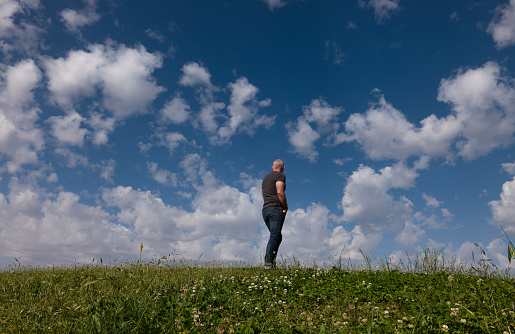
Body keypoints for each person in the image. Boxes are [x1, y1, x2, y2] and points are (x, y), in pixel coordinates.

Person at [261, 159, 288, 269]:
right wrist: (285, 206)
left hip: (265, 210)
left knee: (277, 236)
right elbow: (280, 192)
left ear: (272, 167)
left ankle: (272, 263)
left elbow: (262, 192)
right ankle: (268, 264)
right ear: (283, 168)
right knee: (275, 235)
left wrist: (267, 203)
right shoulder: (280, 176)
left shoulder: (265, 178)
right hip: (275, 209)